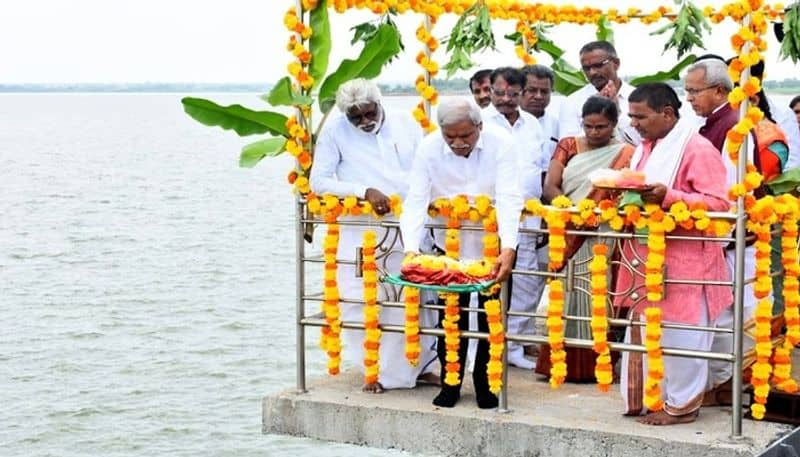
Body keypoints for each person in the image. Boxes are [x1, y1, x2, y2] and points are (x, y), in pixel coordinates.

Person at [309, 78, 438, 393]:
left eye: (369, 114)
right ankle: (374, 371)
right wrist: (363, 191)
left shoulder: (406, 121)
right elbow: (319, 182)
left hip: (407, 225)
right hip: (361, 229)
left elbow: (427, 166)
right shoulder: (335, 131)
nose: (365, 122)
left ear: (379, 104)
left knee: (408, 296)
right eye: (357, 119)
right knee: (357, 298)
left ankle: (414, 370)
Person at [615, 83, 731, 425]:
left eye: (640, 117)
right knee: (648, 332)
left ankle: (682, 408)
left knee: (682, 337)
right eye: (631, 116)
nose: (634, 124)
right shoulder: (645, 148)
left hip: (686, 263)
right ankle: (652, 398)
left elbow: (720, 205)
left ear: (667, 113)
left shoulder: (696, 148)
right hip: (647, 257)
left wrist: (669, 197)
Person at [400, 97, 523, 409]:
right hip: (447, 245)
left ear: (480, 126)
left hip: (494, 247)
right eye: (450, 136)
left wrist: (509, 248)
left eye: (465, 136)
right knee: (449, 320)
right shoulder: (428, 148)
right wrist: (411, 251)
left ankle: (485, 385)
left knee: (489, 319)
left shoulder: (503, 144)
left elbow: (509, 197)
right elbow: (415, 199)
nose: (457, 143)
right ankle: (450, 384)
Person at [537, 96, 635, 381]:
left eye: (601, 127)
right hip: (570, 228)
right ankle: (557, 363)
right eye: (589, 126)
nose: (594, 133)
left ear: (614, 125)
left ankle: (597, 365)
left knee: (598, 294)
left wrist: (596, 213)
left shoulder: (626, 153)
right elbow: (550, 187)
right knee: (565, 293)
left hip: (604, 232)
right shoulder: (568, 145)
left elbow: (626, 192)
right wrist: (574, 210)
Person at [482, 66, 547, 370]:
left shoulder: (533, 124)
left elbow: (540, 168)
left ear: (523, 93)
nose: (506, 99)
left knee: (526, 282)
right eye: (499, 93)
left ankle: (515, 345)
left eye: (513, 93)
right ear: (490, 91)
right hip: (488, 219)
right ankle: (480, 348)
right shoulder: (480, 123)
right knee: (485, 282)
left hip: (528, 218)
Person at [558, 40, 640, 145]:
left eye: (598, 65)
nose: (592, 72)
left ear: (616, 64)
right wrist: (598, 111)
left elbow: (644, 141)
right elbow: (568, 144)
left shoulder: (638, 97)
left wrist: (616, 113)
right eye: (586, 68)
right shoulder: (572, 101)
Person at [521, 64, 560, 160]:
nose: (538, 96)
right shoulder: (504, 122)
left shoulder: (556, 124)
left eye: (544, 91)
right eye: (532, 90)